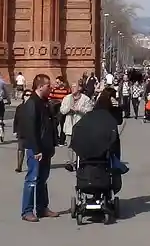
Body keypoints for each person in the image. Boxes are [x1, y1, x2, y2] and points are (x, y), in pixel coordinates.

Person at [15, 74, 59, 221]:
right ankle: (27, 211)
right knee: (32, 179)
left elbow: (49, 125)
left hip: (46, 147)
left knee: (42, 179)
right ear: (40, 87)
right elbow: (30, 129)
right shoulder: (32, 104)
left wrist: (52, 144)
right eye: (48, 86)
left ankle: (42, 208)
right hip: (36, 149)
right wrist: (36, 150)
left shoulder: (45, 102)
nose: (50, 88)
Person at [60, 82, 94, 168]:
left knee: (80, 145)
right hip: (69, 126)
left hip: (81, 126)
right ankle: (71, 162)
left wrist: (79, 109)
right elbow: (62, 110)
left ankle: (78, 161)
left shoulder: (85, 99)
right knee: (69, 145)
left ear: (80, 88)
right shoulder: (67, 98)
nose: (72, 88)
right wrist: (69, 108)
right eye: (72, 87)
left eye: (75, 87)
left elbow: (89, 111)